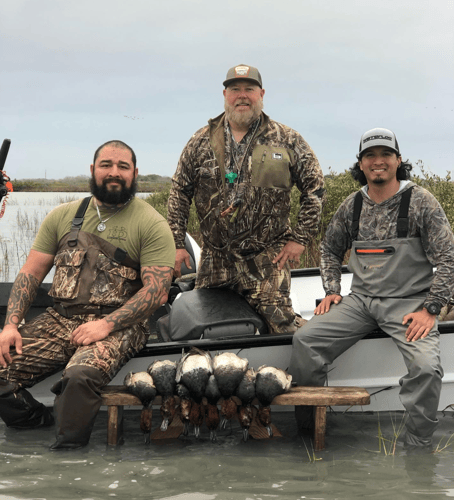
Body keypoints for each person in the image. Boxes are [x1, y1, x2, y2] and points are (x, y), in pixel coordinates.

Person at [0, 140, 175, 449]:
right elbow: (31, 272)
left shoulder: (150, 222)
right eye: (106, 165)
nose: (114, 172)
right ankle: (37, 423)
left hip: (119, 325)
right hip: (59, 320)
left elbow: (158, 291)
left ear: (135, 173)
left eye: (123, 167)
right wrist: (11, 325)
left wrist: (105, 325)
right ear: (93, 170)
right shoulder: (62, 216)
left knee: (78, 378)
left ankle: (67, 462)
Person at [289, 128, 454, 448]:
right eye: (370, 156)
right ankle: (308, 432)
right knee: (305, 341)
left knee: (426, 368)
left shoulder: (421, 202)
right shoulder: (351, 206)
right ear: (361, 164)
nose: (378, 161)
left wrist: (430, 309)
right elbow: (329, 249)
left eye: (385, 155)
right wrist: (333, 289)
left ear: (398, 161)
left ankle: (418, 447)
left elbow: (448, 259)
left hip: (409, 304)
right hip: (360, 301)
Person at [167, 64, 325, 334]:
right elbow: (180, 190)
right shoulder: (200, 141)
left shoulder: (286, 139)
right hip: (216, 258)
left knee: (281, 327)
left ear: (261, 94)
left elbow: (315, 187)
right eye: (235, 89)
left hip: (267, 255)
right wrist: (176, 242)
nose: (242, 96)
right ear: (225, 95)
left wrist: (300, 239)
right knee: (204, 329)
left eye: (249, 89)